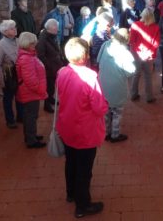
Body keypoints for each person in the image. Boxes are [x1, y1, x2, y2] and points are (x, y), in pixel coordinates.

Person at [56, 38, 108, 218]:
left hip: (67, 126)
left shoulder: (62, 72)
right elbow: (99, 107)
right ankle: (83, 205)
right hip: (85, 130)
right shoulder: (89, 76)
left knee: (71, 162)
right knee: (84, 169)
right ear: (85, 56)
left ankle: (71, 193)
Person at [97, 29, 136, 142]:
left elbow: (98, 59)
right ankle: (115, 134)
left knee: (106, 110)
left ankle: (106, 133)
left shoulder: (105, 44)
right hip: (117, 84)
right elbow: (130, 71)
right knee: (117, 112)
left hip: (104, 82)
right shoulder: (125, 53)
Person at [16, 32, 47, 148]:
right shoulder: (26, 58)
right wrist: (40, 90)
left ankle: (31, 135)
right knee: (30, 116)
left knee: (31, 116)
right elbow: (30, 80)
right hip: (30, 92)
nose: (35, 45)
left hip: (30, 92)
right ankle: (31, 140)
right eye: (33, 44)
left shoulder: (28, 55)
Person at [0, 20, 23, 129]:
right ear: (5, 32)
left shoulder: (18, 41)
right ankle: (10, 120)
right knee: (8, 99)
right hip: (8, 75)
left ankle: (21, 116)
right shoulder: (0, 46)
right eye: (12, 28)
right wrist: (1, 82)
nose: (15, 29)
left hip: (19, 73)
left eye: (15, 27)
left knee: (20, 96)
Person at [129, 9, 160, 103]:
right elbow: (156, 43)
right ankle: (149, 97)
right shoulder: (156, 27)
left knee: (136, 74)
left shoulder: (135, 25)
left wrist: (138, 52)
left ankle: (133, 94)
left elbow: (132, 41)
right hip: (149, 55)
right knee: (148, 75)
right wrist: (148, 53)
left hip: (136, 54)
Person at [36, 19, 66, 114]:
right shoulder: (43, 38)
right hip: (49, 68)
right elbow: (40, 55)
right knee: (48, 87)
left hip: (54, 66)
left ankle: (51, 99)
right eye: (56, 27)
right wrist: (48, 66)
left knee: (52, 85)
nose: (58, 29)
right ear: (51, 28)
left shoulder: (51, 36)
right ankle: (47, 105)